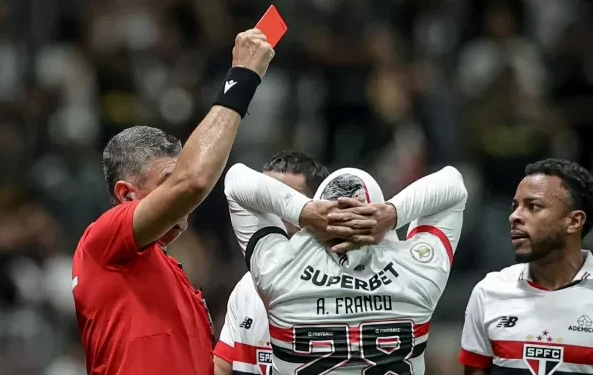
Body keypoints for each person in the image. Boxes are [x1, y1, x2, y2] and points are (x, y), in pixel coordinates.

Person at [71, 29, 275, 375]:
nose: (185, 201)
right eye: (168, 182)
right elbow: (193, 181)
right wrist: (242, 78)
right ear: (126, 195)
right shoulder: (101, 244)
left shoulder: (179, 282)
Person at [223, 162, 468, 374]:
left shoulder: (279, 271)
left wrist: (304, 211)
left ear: (314, 225)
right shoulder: (417, 273)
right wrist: (393, 213)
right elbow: (453, 183)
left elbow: (236, 180)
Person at [459, 158, 593, 375]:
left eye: (533, 206)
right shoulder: (489, 292)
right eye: (515, 206)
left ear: (574, 222)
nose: (514, 216)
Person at [213, 151, 330, 375]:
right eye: (262, 204)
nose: (271, 217)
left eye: (285, 204)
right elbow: (222, 366)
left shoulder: (339, 288)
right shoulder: (246, 288)